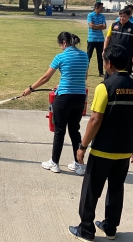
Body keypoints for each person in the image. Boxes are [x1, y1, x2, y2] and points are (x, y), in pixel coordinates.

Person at [68, 44, 133, 242]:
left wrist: (82, 146)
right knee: (116, 189)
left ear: (109, 63)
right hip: (125, 151)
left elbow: (95, 119)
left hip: (103, 150)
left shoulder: (105, 87)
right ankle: (110, 228)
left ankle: (85, 230)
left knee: (91, 191)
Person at [22, 32, 89, 175]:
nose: (60, 47)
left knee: (59, 131)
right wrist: (62, 84)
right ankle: (79, 165)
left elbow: (46, 77)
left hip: (64, 99)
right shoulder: (84, 55)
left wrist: (31, 88)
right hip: (80, 98)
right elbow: (83, 77)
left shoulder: (61, 56)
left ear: (64, 43)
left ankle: (54, 163)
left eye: (60, 45)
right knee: (74, 130)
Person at [103, 8, 133, 74]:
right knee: (110, 72)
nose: (122, 18)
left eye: (124, 17)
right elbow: (108, 38)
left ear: (129, 17)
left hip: (125, 55)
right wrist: (104, 50)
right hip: (112, 54)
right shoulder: (113, 25)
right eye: (120, 16)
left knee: (125, 73)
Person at [87, 2, 107, 77]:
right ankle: (85, 71)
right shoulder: (90, 15)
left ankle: (101, 72)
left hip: (100, 40)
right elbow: (91, 26)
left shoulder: (102, 16)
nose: (102, 9)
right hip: (91, 39)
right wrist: (100, 25)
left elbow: (105, 27)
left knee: (100, 56)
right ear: (96, 7)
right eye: (101, 8)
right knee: (88, 56)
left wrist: (96, 26)